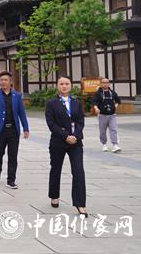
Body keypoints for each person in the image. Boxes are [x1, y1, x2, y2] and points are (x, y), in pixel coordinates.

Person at [46, 75, 88, 218]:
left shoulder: (76, 102)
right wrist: (65, 136)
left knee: (78, 171)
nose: (64, 86)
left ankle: (80, 204)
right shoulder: (51, 103)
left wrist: (75, 135)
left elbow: (81, 121)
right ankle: (54, 195)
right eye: (61, 84)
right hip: (58, 141)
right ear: (57, 86)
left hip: (75, 142)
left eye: (67, 83)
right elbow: (51, 124)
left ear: (71, 85)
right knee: (56, 169)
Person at [0, 71, 30, 188]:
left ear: (10, 82)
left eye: (6, 80)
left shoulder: (17, 95)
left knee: (13, 156)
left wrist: (26, 128)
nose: (3, 82)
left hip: (13, 130)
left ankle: (11, 179)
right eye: (2, 80)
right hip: (0, 130)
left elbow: (21, 113)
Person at [92, 78, 122, 152]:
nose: (105, 84)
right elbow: (94, 102)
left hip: (112, 115)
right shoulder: (98, 93)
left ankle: (115, 145)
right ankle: (104, 144)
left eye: (106, 82)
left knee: (113, 130)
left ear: (109, 84)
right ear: (101, 84)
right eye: (103, 82)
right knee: (102, 131)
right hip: (102, 115)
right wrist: (96, 108)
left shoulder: (112, 92)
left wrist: (115, 106)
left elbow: (118, 101)